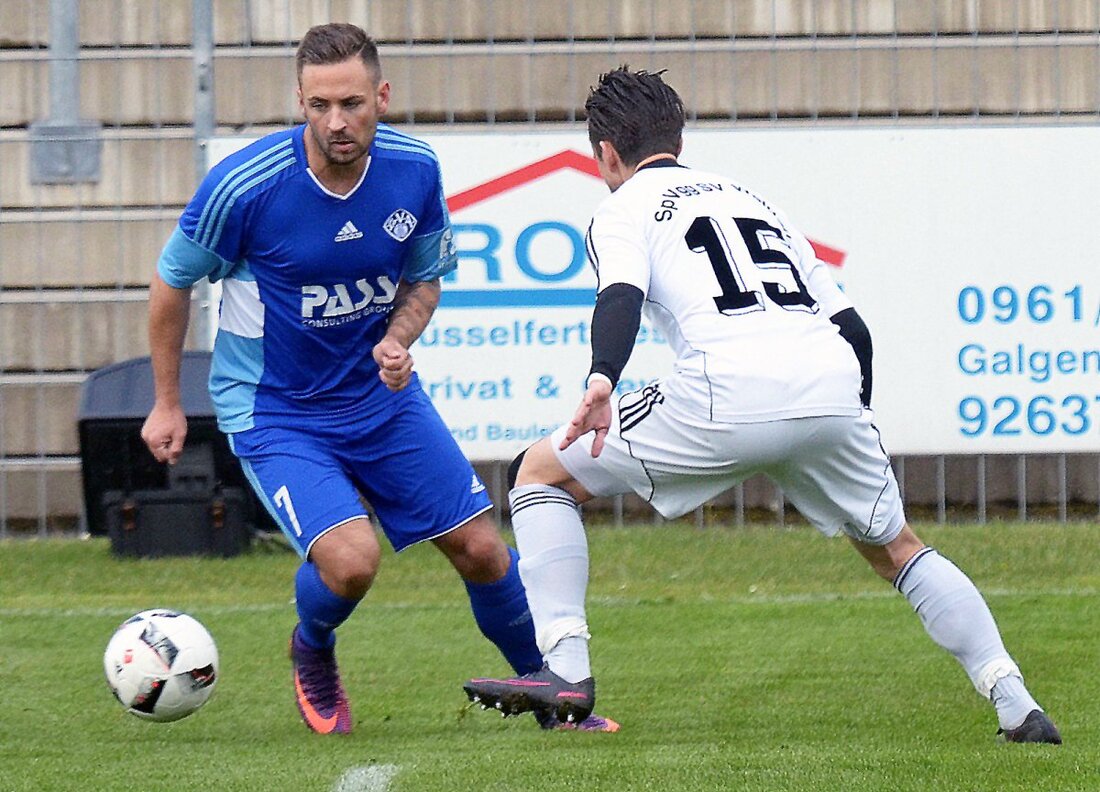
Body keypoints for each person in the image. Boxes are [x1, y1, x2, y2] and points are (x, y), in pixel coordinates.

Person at [464, 67, 1061, 743]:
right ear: (677, 136)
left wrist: (602, 377)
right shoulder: (752, 199)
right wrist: (850, 419)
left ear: (605, 154)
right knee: (897, 548)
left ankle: (567, 670)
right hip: (830, 387)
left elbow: (621, 297)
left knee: (540, 474)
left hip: (727, 395)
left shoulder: (622, 207)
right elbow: (855, 328)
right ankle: (1018, 704)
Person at [140, 22, 617, 735]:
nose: (337, 121)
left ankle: (555, 702)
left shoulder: (414, 168)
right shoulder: (244, 186)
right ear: (300, 101)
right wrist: (168, 402)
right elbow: (170, 284)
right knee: (353, 562)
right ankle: (313, 646)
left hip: (378, 399)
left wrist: (396, 339)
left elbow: (424, 279)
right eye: (319, 105)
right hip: (276, 411)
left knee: (483, 549)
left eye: (353, 103)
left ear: (382, 97)